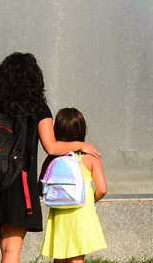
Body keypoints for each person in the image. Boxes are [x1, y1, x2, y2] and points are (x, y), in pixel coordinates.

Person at [0, 52, 100, 263]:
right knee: (10, 248)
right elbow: (51, 146)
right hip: (18, 185)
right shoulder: (38, 108)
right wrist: (81, 144)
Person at [40, 108, 107, 262]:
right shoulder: (91, 157)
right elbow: (102, 189)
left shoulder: (53, 157)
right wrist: (90, 200)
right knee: (77, 258)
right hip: (81, 213)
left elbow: (43, 185)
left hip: (59, 213)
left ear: (56, 130)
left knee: (59, 256)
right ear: (82, 129)